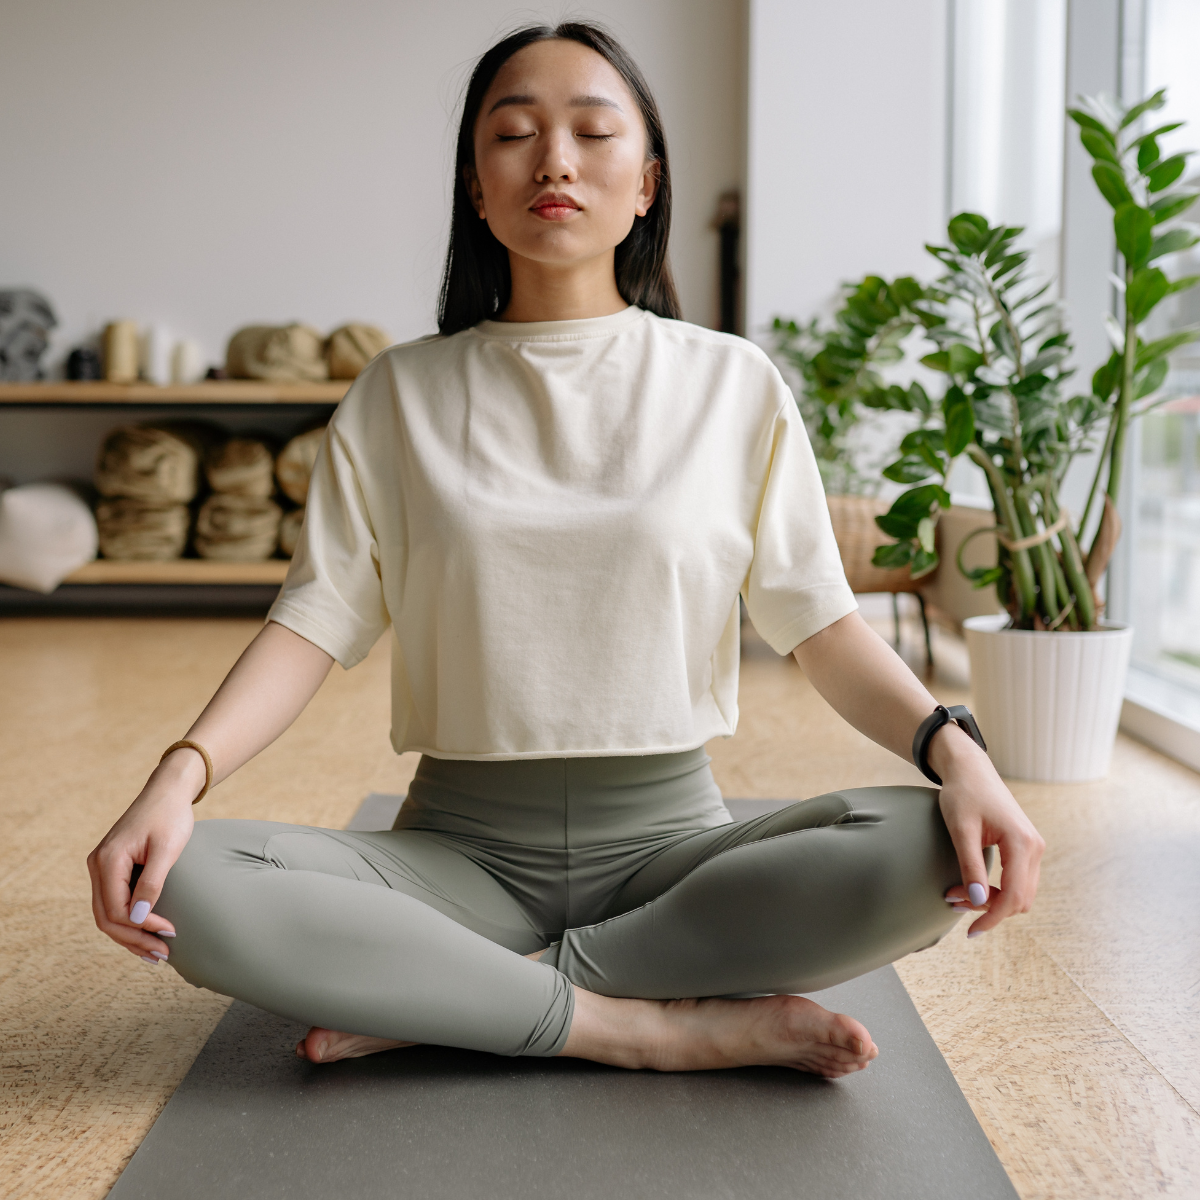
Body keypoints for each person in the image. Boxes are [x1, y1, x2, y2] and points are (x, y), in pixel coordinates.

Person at [88, 22, 1044, 1079]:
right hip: (453, 859)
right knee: (181, 877)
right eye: (515, 134)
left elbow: (820, 623)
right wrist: (176, 779)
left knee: (929, 850)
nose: (554, 160)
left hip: (676, 852)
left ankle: (463, 997)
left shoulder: (732, 385)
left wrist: (960, 752)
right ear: (476, 187)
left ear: (645, 184)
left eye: (593, 132)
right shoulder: (398, 394)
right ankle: (642, 1025)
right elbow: (311, 625)